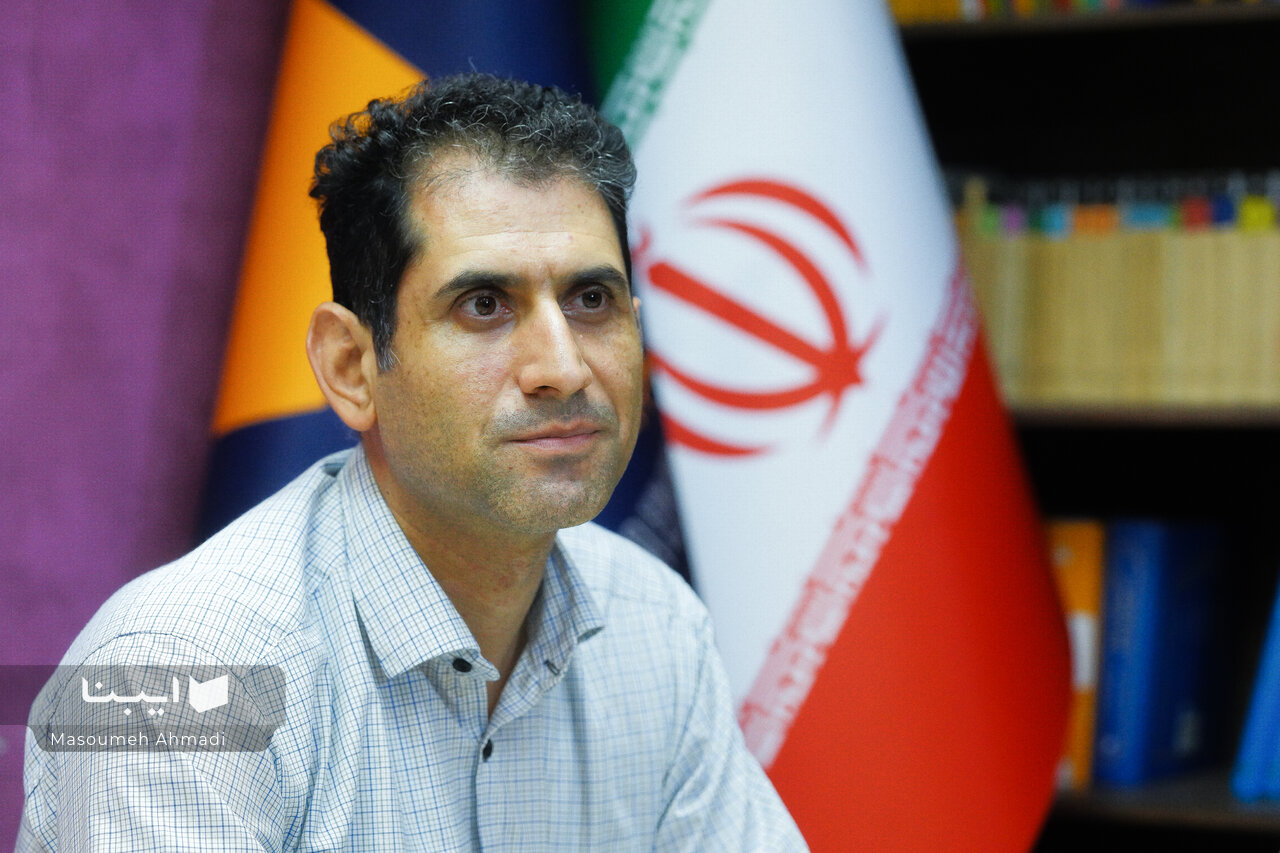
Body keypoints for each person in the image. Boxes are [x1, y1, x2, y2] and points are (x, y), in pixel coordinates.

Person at [18, 73, 806, 852]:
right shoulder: (166, 673)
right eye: (484, 305)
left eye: (591, 300)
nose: (563, 369)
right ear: (352, 367)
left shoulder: (656, 625)